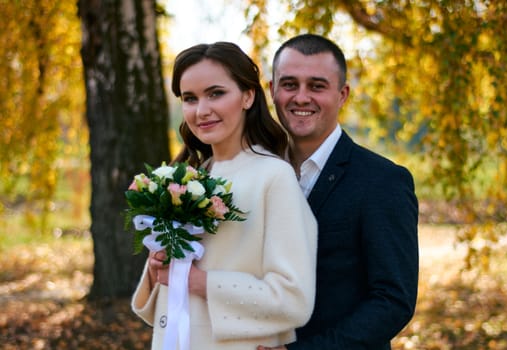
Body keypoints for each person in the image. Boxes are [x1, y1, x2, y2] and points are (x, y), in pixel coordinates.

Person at [131, 41, 318, 349]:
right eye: (190, 98)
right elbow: (166, 309)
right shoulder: (188, 178)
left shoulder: (274, 178)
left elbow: (293, 298)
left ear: (248, 96)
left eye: (215, 93)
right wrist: (157, 271)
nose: (202, 111)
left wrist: (202, 283)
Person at [258, 34, 419, 349]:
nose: (301, 97)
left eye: (317, 86)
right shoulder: (256, 173)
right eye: (289, 84)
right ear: (272, 90)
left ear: (342, 94)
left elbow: (392, 300)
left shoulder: (382, 181)